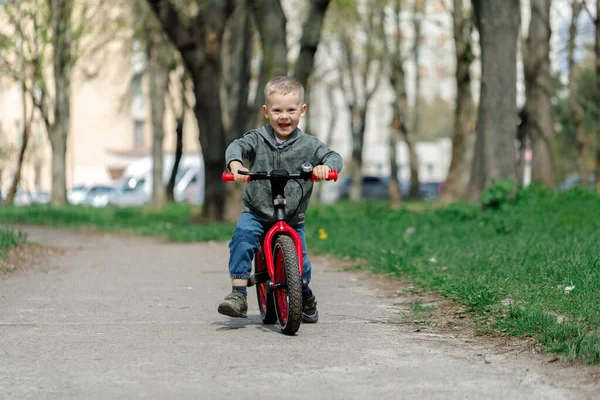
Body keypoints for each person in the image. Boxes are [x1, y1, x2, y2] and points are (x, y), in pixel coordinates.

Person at [218, 75, 343, 323]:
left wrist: (324, 168)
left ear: (302, 111)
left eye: (290, 110)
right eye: (276, 110)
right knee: (242, 238)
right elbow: (236, 147)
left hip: (292, 216)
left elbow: (333, 156)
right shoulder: (258, 138)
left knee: (301, 263)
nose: (284, 116)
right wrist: (236, 165)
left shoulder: (309, 145)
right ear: (266, 111)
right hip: (257, 211)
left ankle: (304, 292)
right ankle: (238, 294)